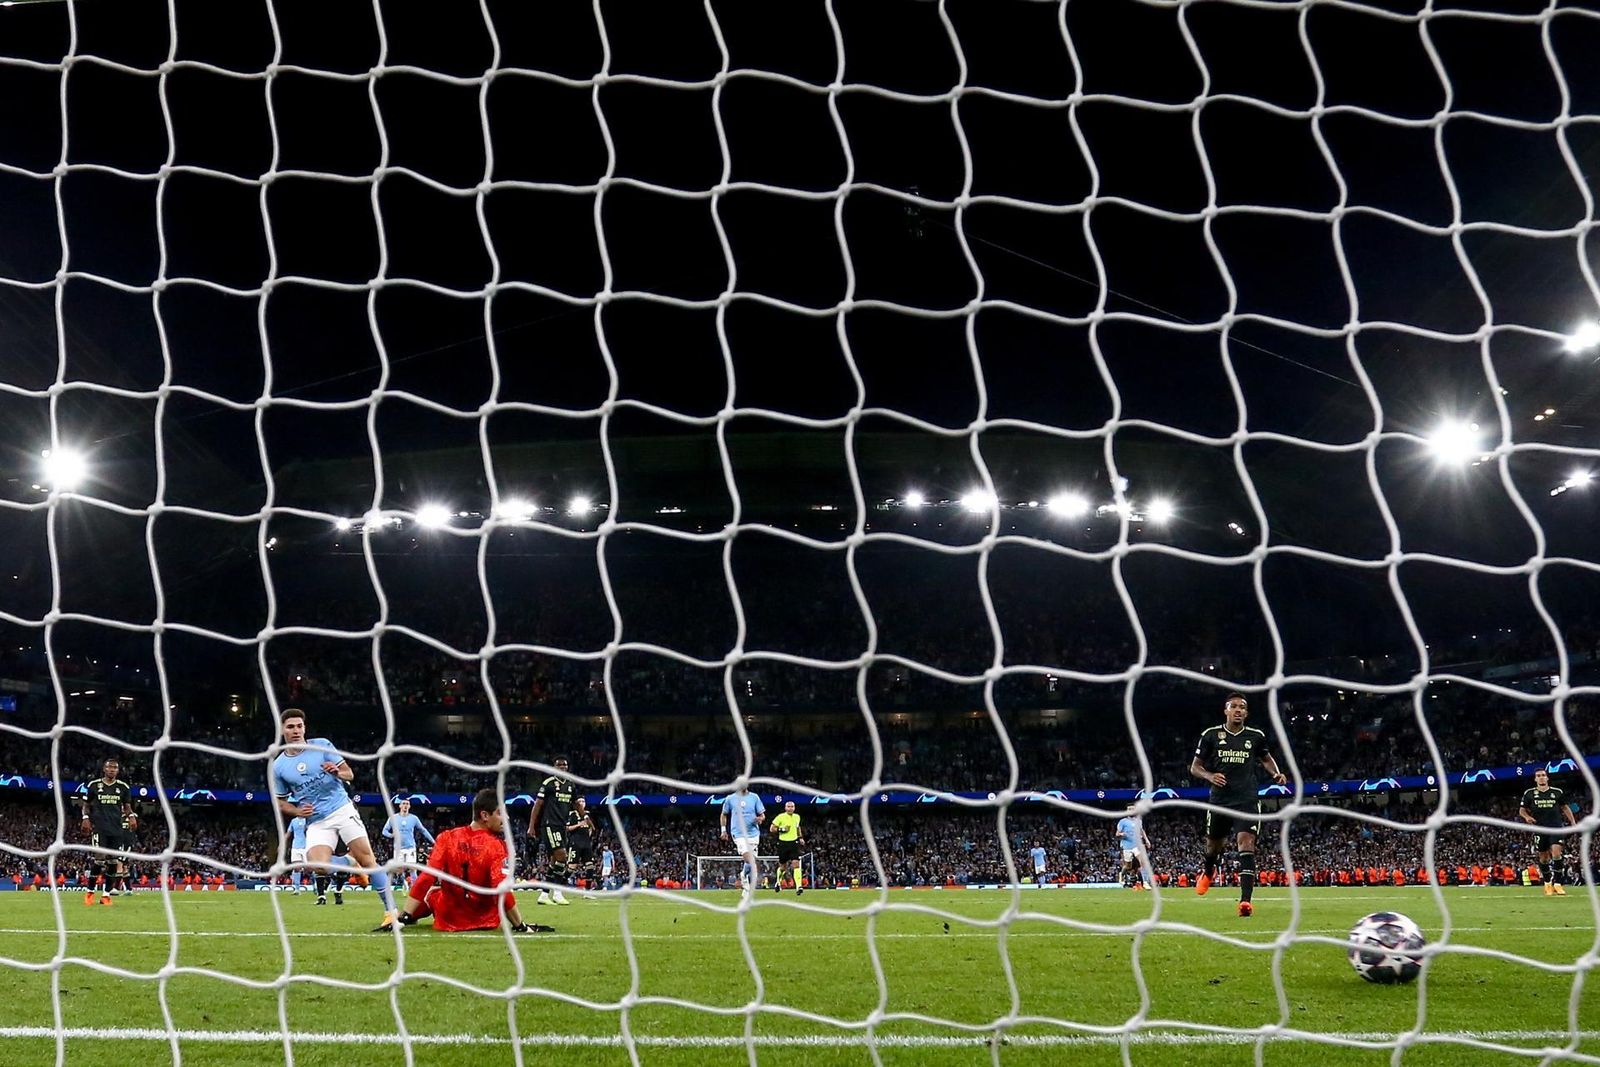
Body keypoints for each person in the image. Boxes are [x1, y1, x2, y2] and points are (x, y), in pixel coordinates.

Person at [271, 708, 398, 928]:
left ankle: (391, 912)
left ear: (305, 728)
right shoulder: (278, 766)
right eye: (290, 727)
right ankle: (349, 862)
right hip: (316, 821)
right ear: (282, 730)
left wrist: (337, 772)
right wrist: (296, 811)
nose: (296, 731)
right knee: (317, 866)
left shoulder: (322, 745)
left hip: (341, 810)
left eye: (299, 726)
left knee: (369, 861)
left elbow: (350, 774)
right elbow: (279, 801)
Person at [377, 788, 551, 934]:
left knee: (433, 892)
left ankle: (408, 918)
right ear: (484, 815)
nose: (506, 818)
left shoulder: (446, 838)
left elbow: (426, 878)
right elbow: (501, 889)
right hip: (486, 920)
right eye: (500, 813)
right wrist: (520, 925)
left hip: (448, 919)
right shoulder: (497, 846)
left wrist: (404, 916)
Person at [1190, 693, 1287, 917]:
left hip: (1247, 799)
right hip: (1220, 800)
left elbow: (1265, 758)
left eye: (1242, 707)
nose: (1238, 710)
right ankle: (1208, 871)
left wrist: (1276, 773)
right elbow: (1195, 767)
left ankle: (1245, 901)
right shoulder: (1211, 735)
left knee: (1246, 842)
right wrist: (1209, 775)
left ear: (1246, 713)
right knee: (1213, 846)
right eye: (1233, 706)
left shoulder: (1255, 736)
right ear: (1225, 711)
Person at [80, 758, 136, 905]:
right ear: (104, 769)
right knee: (99, 860)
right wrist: (85, 818)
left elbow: (127, 807)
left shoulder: (123, 787)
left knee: (112, 862)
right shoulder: (93, 785)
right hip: (99, 828)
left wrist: (131, 817)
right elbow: (86, 804)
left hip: (116, 829)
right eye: (109, 767)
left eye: (115, 768)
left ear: (118, 771)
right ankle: (90, 893)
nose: (112, 770)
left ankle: (105, 895)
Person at [1520, 768, 1578, 896]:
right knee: (1544, 857)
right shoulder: (1529, 793)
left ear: (1547, 778)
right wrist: (1527, 817)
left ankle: (1558, 884)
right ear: (1535, 779)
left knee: (1556, 853)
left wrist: (1573, 822)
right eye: (1538, 776)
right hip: (1539, 828)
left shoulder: (1557, 792)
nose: (1541, 777)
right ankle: (1547, 883)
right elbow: (1522, 810)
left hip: (1556, 827)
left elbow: (1565, 807)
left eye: (1543, 775)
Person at [527, 757, 575, 906]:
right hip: (550, 825)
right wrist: (531, 826)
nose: (562, 767)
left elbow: (574, 803)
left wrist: (584, 816)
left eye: (564, 765)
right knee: (562, 856)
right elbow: (537, 805)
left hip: (562, 826)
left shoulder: (570, 785)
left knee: (555, 861)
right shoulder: (548, 784)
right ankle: (558, 893)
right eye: (559, 765)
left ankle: (544, 894)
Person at [719, 783, 765, 897]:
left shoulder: (755, 797)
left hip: (753, 833)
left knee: (751, 860)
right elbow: (724, 814)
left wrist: (760, 819)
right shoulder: (730, 798)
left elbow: (762, 815)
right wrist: (723, 830)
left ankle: (744, 875)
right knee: (748, 857)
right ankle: (746, 882)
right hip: (738, 834)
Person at [382, 798, 436, 891]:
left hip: (410, 847)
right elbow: (384, 831)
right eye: (403, 803)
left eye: (407, 804)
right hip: (398, 848)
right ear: (400, 806)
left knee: (412, 869)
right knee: (399, 870)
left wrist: (434, 842)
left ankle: (414, 889)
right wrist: (391, 835)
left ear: (409, 806)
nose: (405, 805)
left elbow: (423, 830)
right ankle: (405, 884)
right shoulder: (393, 818)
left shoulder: (414, 818)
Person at [768, 800, 804, 895]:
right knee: (783, 867)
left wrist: (800, 837)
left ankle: (798, 886)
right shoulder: (780, 817)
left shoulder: (797, 817)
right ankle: (778, 882)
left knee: (796, 864)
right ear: (785, 808)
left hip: (794, 843)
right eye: (788, 806)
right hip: (783, 843)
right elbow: (772, 828)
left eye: (792, 806)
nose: (790, 808)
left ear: (794, 808)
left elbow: (797, 827)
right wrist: (782, 829)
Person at [1115, 810, 1152, 890]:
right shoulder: (1123, 821)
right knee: (1128, 866)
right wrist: (1121, 834)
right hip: (1126, 846)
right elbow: (1117, 834)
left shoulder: (1139, 821)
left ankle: (1145, 882)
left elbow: (1142, 831)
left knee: (1142, 862)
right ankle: (1121, 874)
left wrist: (1147, 840)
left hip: (1137, 845)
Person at [286, 814, 309, 892]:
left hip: (306, 846)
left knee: (309, 868)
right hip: (295, 846)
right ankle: (297, 889)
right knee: (296, 868)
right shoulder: (293, 821)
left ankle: (316, 885)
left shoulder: (307, 820)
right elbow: (289, 832)